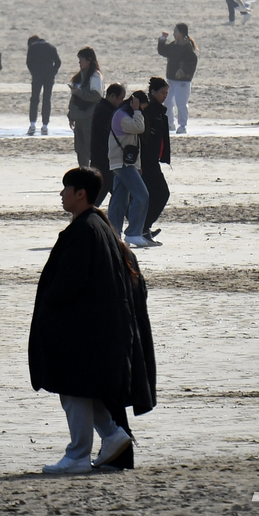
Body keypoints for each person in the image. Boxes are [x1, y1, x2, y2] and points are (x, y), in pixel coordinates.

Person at [29, 167, 155, 474]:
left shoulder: (86, 230)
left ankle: (78, 454)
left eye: (66, 188)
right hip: (102, 328)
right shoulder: (100, 226)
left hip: (87, 329)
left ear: (80, 193)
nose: (62, 194)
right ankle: (112, 437)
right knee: (85, 390)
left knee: (73, 389)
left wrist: (51, 310)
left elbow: (69, 282)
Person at [107, 89, 151, 248]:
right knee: (142, 195)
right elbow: (139, 128)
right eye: (142, 107)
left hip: (125, 162)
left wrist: (137, 165)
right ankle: (133, 233)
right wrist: (137, 110)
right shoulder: (121, 116)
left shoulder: (126, 115)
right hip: (121, 162)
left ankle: (113, 233)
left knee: (119, 199)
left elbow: (133, 143)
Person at [140, 77, 172, 243]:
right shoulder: (149, 111)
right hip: (146, 162)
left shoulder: (159, 110)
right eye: (162, 93)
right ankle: (142, 228)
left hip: (153, 161)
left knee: (153, 195)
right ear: (152, 92)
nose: (165, 96)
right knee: (161, 193)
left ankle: (143, 228)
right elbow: (142, 138)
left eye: (166, 93)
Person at [156, 23, 199, 133]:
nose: (174, 33)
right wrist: (162, 39)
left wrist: (183, 72)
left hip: (183, 81)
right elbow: (163, 51)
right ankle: (170, 123)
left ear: (181, 33)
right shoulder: (174, 45)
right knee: (167, 101)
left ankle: (182, 126)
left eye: (176, 31)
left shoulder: (187, 46)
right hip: (171, 79)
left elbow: (192, 62)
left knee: (181, 103)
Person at [67, 47, 104, 167]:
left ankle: (92, 174)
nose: (79, 63)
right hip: (78, 117)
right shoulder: (78, 77)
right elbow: (73, 99)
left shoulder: (95, 76)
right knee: (79, 148)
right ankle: (83, 171)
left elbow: (96, 97)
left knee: (89, 147)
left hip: (90, 117)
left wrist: (80, 93)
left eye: (81, 60)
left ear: (88, 60)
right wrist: (70, 115)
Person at [89, 84, 126, 206]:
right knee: (101, 193)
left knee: (112, 193)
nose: (121, 102)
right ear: (112, 96)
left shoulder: (105, 109)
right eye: (120, 98)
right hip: (103, 160)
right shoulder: (103, 111)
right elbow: (107, 136)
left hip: (104, 159)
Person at [26, 35, 62, 136]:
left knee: (34, 99)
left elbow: (28, 62)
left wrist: (33, 72)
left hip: (37, 76)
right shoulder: (51, 47)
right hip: (49, 76)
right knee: (46, 100)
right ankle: (45, 126)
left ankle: (32, 124)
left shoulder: (32, 47)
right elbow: (58, 62)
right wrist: (53, 72)